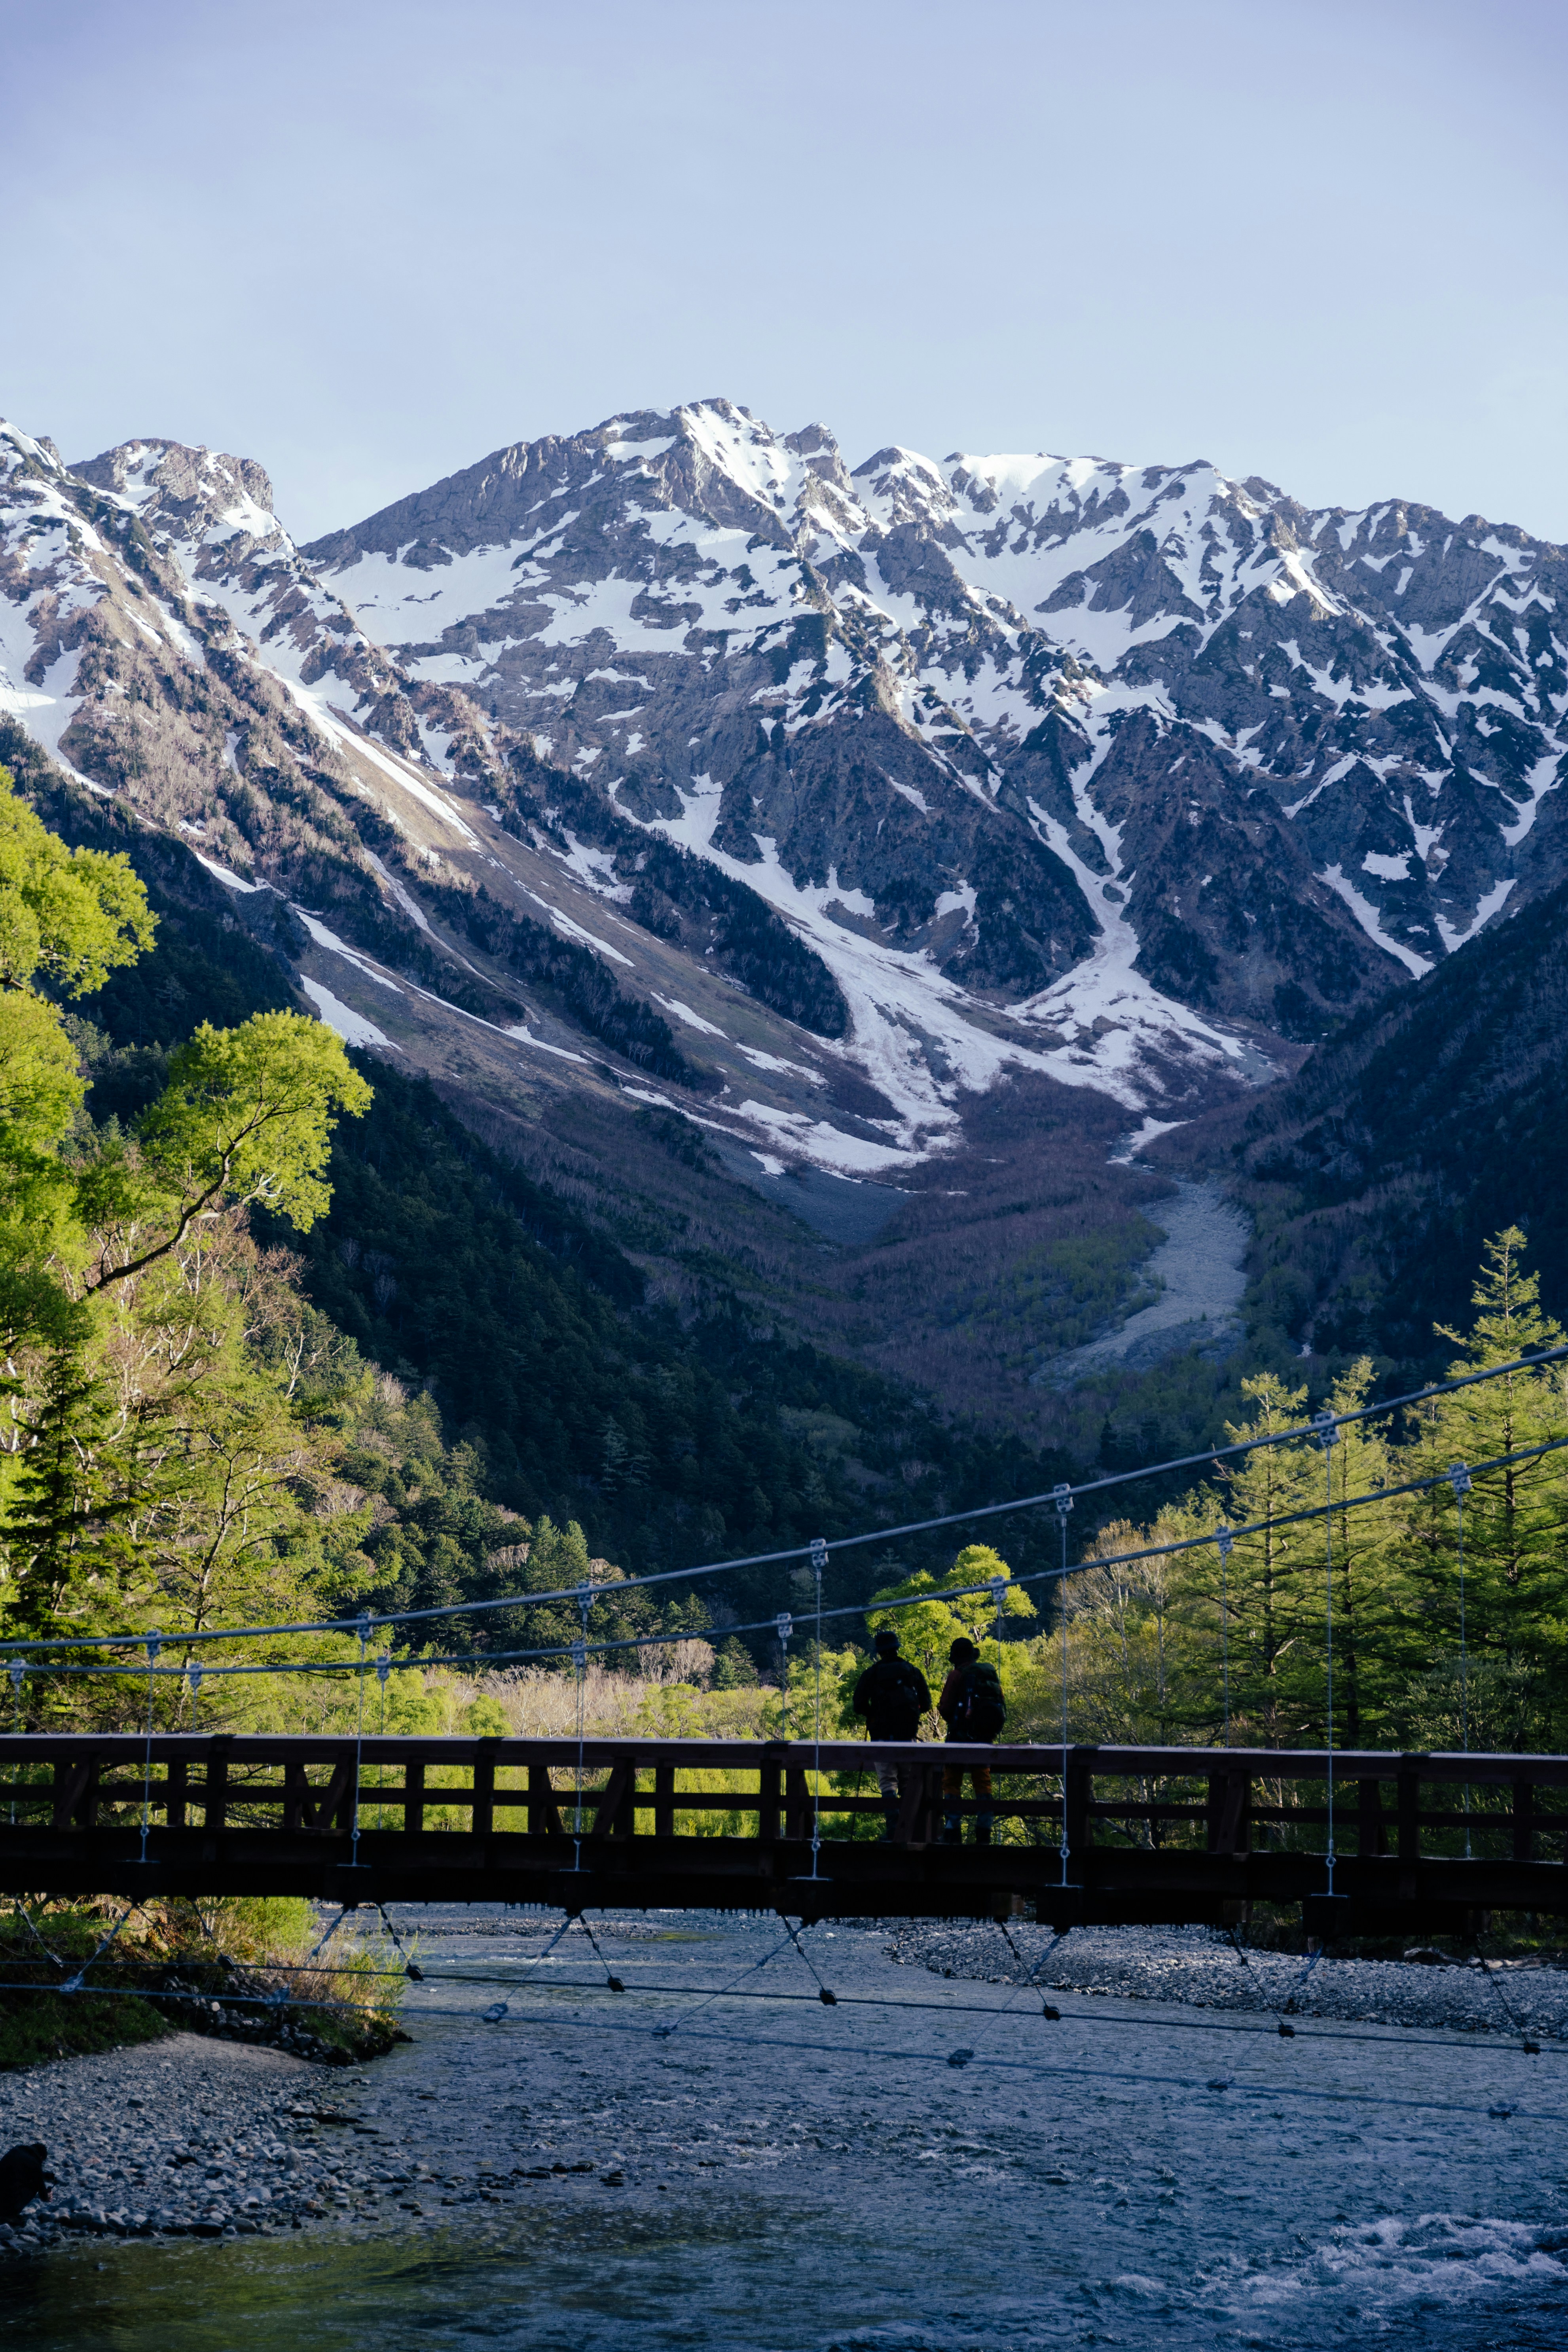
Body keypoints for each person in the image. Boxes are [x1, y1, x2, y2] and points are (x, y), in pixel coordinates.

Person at [852, 1629, 933, 1840]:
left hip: (880, 1737)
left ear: (879, 1652)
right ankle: (910, 1831)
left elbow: (858, 1705)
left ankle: (893, 1832)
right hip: (907, 1735)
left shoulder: (871, 1674)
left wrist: (872, 1714)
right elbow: (927, 1703)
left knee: (888, 1782)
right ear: (897, 1648)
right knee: (907, 1781)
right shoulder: (912, 1671)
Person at [938, 1636, 1006, 1844]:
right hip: (985, 1738)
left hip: (959, 1738)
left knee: (952, 1780)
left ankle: (953, 1831)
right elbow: (1001, 1702)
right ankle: (984, 1832)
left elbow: (945, 1707)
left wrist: (958, 1723)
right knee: (983, 1781)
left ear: (956, 1658)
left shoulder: (957, 1675)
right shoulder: (989, 1675)